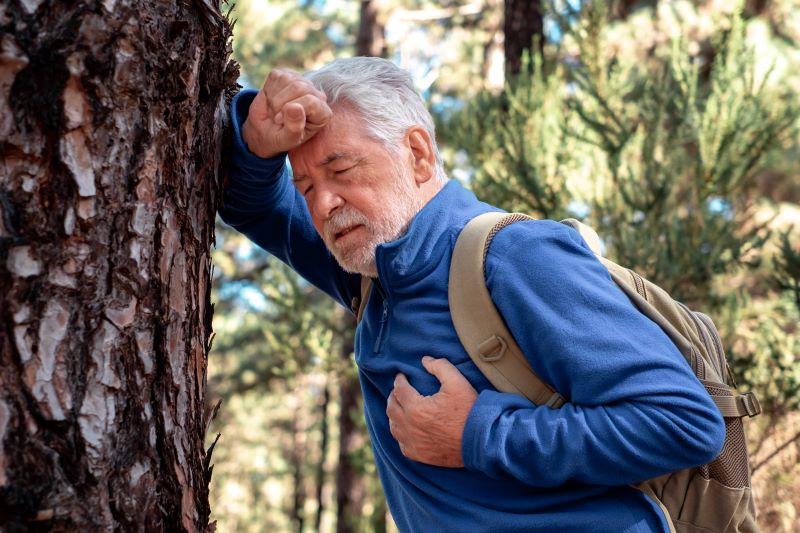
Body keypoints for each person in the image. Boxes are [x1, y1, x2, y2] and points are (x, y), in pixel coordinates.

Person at [220, 56, 726, 532]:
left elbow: (682, 422)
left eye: (342, 170)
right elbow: (255, 205)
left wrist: (477, 436)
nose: (324, 203)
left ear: (417, 154)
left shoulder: (516, 256)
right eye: (306, 187)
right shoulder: (375, 274)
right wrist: (257, 139)